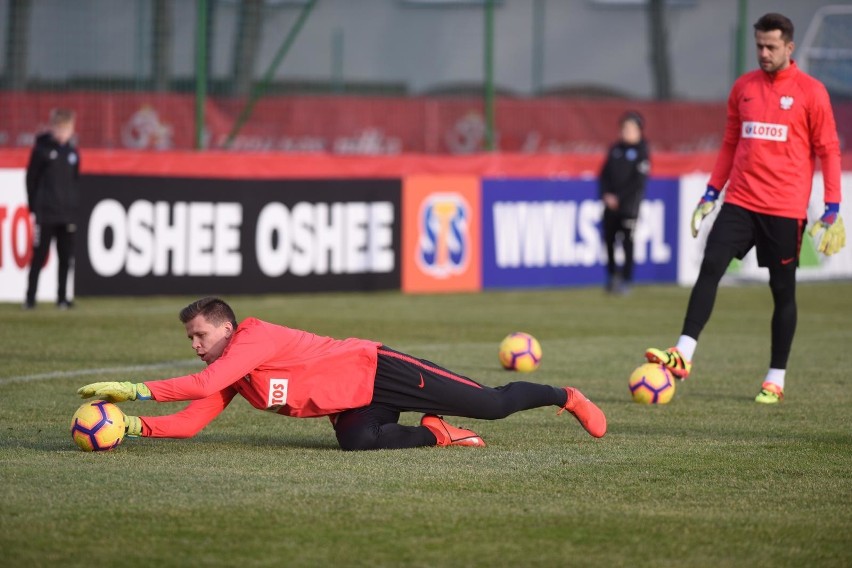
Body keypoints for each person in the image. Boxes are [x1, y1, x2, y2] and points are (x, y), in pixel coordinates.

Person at [76, 297, 607, 450]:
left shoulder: (252, 338)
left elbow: (204, 385)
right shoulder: (232, 371)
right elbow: (194, 418)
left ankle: (565, 395)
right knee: (356, 442)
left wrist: (136, 390)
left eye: (200, 337)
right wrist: (133, 425)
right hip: (354, 403)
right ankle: (436, 432)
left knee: (491, 402)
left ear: (227, 329)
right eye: (190, 339)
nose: (195, 347)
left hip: (380, 370)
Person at [645, 13, 844, 404]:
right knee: (711, 265)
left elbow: (829, 150)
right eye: (759, 46)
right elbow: (731, 144)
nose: (764, 53)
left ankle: (775, 376)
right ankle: (683, 352)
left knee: (782, 293)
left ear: (789, 47)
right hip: (740, 201)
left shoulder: (811, 92)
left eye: (771, 46)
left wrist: (832, 206)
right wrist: (710, 193)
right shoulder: (744, 87)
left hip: (784, 209)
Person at [24, 108, 80, 310]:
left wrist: (74, 209)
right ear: (53, 128)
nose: (63, 134)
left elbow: (74, 182)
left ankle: (62, 298)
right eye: (60, 129)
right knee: (39, 255)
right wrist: (34, 206)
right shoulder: (42, 150)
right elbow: (31, 179)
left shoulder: (73, 153)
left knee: (66, 258)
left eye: (67, 129)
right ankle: (30, 298)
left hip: (67, 215)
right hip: (46, 213)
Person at [599, 111, 650, 294]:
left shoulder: (642, 152)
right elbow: (604, 174)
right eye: (624, 128)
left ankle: (627, 280)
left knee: (627, 244)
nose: (626, 132)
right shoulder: (615, 149)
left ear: (639, 131)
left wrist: (619, 198)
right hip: (610, 205)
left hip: (629, 207)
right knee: (609, 242)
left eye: (631, 128)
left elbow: (637, 182)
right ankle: (612, 277)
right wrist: (606, 194)